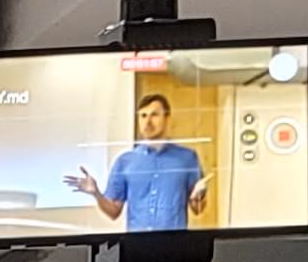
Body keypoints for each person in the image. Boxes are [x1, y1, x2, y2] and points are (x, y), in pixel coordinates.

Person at [66, 90, 205, 230]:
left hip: (175, 241)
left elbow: (197, 209)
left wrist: (198, 197)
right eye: (143, 116)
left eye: (154, 115)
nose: (147, 122)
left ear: (167, 118)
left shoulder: (187, 158)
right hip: (136, 242)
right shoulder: (125, 161)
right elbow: (114, 212)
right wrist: (96, 194)